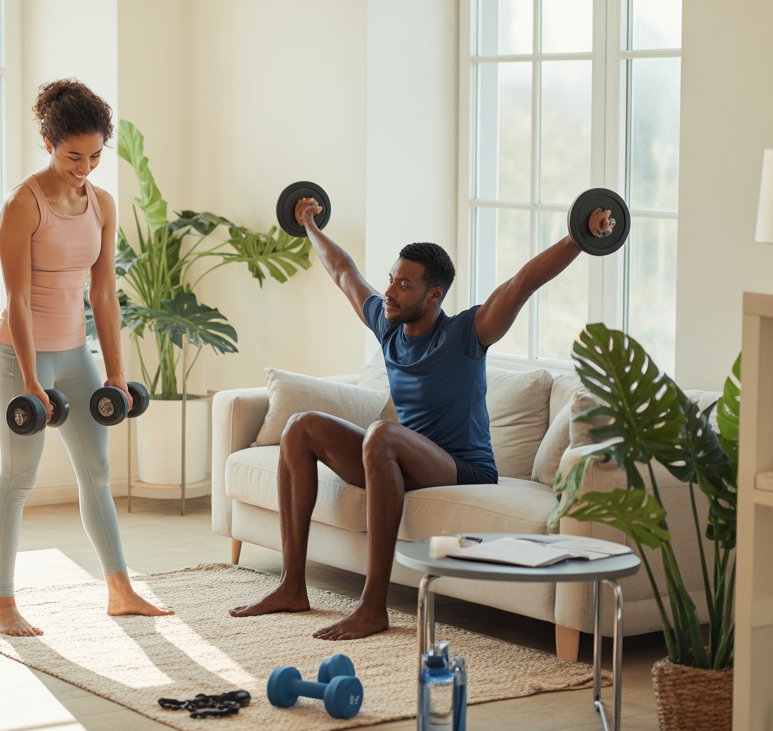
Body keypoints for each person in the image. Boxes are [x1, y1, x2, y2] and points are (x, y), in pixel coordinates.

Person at [230, 195, 617, 640]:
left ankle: (373, 607)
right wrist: (310, 225)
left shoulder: (467, 333)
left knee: (382, 435)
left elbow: (521, 283)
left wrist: (579, 236)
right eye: (391, 280)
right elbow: (342, 271)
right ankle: (291, 586)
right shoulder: (388, 325)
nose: (390, 292)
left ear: (434, 294)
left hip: (462, 468)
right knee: (301, 427)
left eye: (404, 285)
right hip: (395, 459)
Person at [0, 78, 171, 636]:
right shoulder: (24, 203)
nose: (85, 167)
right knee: (19, 478)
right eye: (74, 156)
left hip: (76, 353)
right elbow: (16, 297)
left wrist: (114, 371)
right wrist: (28, 377)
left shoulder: (101, 204)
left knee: (97, 471)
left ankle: (119, 590)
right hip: (23, 353)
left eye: (94, 156)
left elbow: (104, 294)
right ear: (48, 142)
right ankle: (1, 604)